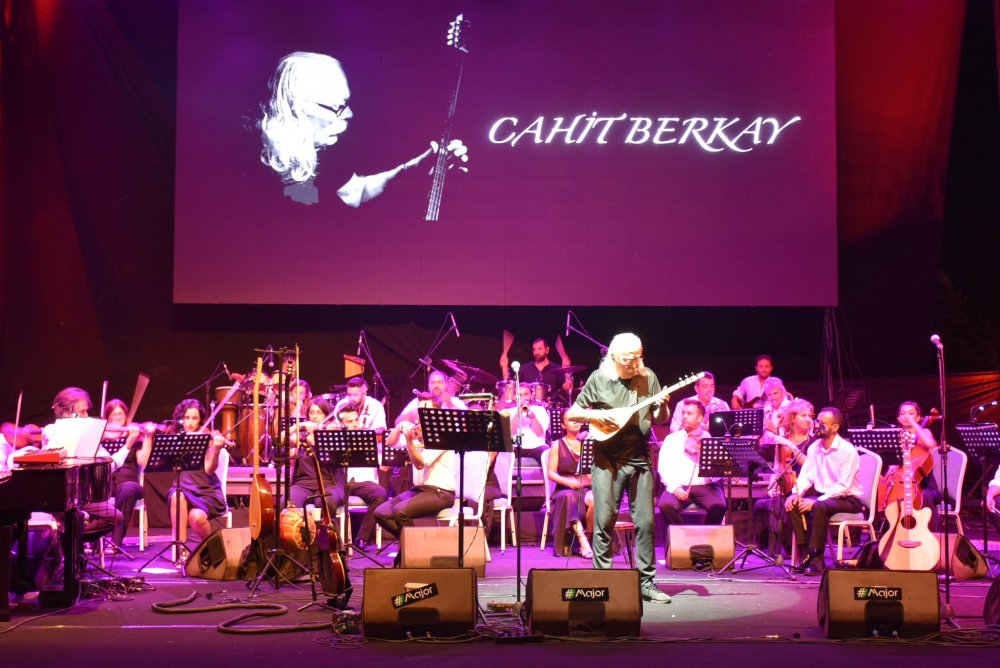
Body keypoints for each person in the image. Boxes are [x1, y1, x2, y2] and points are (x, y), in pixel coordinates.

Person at [260, 51, 468, 207]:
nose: (349, 114)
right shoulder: (249, 171)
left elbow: (355, 192)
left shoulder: (321, 151)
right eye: (338, 107)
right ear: (297, 107)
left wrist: (415, 168)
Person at [565, 333, 672, 603]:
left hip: (639, 458)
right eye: (628, 359)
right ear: (613, 357)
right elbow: (573, 413)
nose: (634, 363)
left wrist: (663, 407)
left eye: (637, 357)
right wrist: (599, 415)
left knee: (646, 523)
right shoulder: (599, 378)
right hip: (607, 460)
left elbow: (660, 418)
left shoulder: (648, 377)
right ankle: (604, 583)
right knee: (604, 522)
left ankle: (646, 582)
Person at [376, 393, 457, 561]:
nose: (421, 415)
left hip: (440, 492)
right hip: (420, 491)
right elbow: (390, 443)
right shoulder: (418, 431)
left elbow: (420, 464)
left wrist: (409, 441)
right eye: (420, 410)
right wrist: (400, 428)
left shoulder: (442, 434)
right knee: (381, 513)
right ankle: (415, 545)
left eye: (426, 410)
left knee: (400, 511)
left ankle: (413, 551)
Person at [40, 388, 126, 541]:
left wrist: (127, 444)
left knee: (114, 517)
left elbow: (110, 465)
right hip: (57, 494)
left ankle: (68, 540)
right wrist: (91, 435)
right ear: (67, 413)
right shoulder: (51, 431)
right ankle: (69, 545)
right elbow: (62, 447)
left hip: (80, 494)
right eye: (82, 412)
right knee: (75, 518)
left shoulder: (88, 435)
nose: (87, 416)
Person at [784, 407, 862, 574]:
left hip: (848, 500)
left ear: (835, 427)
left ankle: (817, 560)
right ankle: (806, 553)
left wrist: (816, 501)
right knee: (793, 504)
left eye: (822, 423)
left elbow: (843, 487)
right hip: (826, 498)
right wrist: (795, 493)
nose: (817, 425)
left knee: (819, 506)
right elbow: (806, 476)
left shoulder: (847, 450)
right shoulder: (814, 448)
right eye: (817, 421)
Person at [657, 400, 726, 541]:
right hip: (679, 485)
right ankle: (686, 539)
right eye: (683, 413)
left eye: (689, 414)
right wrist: (674, 487)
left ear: (700, 418)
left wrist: (704, 454)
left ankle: (706, 540)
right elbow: (663, 466)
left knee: (719, 505)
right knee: (666, 505)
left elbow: (718, 473)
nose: (684, 416)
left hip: (705, 485)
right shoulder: (672, 439)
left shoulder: (709, 438)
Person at [752, 398, 814, 556]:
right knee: (761, 503)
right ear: (792, 418)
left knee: (777, 505)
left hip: (808, 488)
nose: (808, 419)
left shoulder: (813, 442)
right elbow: (779, 467)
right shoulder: (783, 439)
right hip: (788, 486)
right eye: (803, 415)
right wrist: (775, 484)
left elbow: (810, 466)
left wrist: (791, 446)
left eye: (809, 416)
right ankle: (767, 548)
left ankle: (787, 548)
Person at [166, 399, 228, 546]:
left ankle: (214, 549)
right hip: (183, 487)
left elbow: (209, 469)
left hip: (206, 490)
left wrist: (216, 450)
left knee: (196, 517)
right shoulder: (176, 438)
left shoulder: (207, 438)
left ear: (200, 420)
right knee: (177, 495)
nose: (190, 422)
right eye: (186, 418)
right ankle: (181, 549)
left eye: (194, 418)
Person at [330, 403, 388, 550]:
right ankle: (333, 542)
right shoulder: (335, 440)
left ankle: (362, 538)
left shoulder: (367, 438)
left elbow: (383, 464)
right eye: (350, 422)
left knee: (380, 494)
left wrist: (385, 461)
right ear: (341, 424)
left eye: (356, 420)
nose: (355, 424)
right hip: (341, 482)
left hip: (362, 483)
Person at [878, 401, 941, 529]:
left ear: (918, 418)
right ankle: (886, 529)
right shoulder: (897, 435)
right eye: (903, 413)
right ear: (898, 418)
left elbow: (931, 444)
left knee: (925, 496)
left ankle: (928, 531)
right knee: (878, 489)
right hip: (899, 480)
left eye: (911, 413)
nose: (906, 416)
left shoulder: (924, 432)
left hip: (923, 483)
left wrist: (914, 425)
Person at [103, 399, 154, 547]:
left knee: (127, 489)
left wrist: (148, 438)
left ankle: (115, 542)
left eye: (120, 414)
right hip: (107, 482)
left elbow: (143, 462)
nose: (117, 417)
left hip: (129, 483)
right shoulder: (101, 437)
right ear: (107, 418)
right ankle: (95, 542)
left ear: (126, 416)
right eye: (113, 414)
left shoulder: (133, 436)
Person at [546, 413, 593, 558]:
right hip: (565, 488)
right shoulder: (557, 445)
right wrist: (569, 483)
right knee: (569, 497)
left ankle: (589, 537)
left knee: (596, 500)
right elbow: (551, 473)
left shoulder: (589, 442)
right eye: (571, 420)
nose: (575, 422)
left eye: (577, 419)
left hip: (585, 486)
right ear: (562, 425)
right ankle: (582, 541)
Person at [503, 338, 574, 406]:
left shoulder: (556, 368)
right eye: (534, 349)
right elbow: (510, 388)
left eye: (539, 349)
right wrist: (504, 366)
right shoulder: (525, 368)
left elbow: (569, 389)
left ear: (547, 350)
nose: (536, 352)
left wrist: (567, 371)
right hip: (527, 408)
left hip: (550, 407)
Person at [759, 377, 792, 448]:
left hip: (784, 449)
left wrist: (773, 429)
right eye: (769, 395)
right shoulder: (766, 409)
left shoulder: (791, 408)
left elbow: (792, 435)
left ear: (782, 392)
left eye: (775, 393)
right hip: (766, 448)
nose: (773, 398)